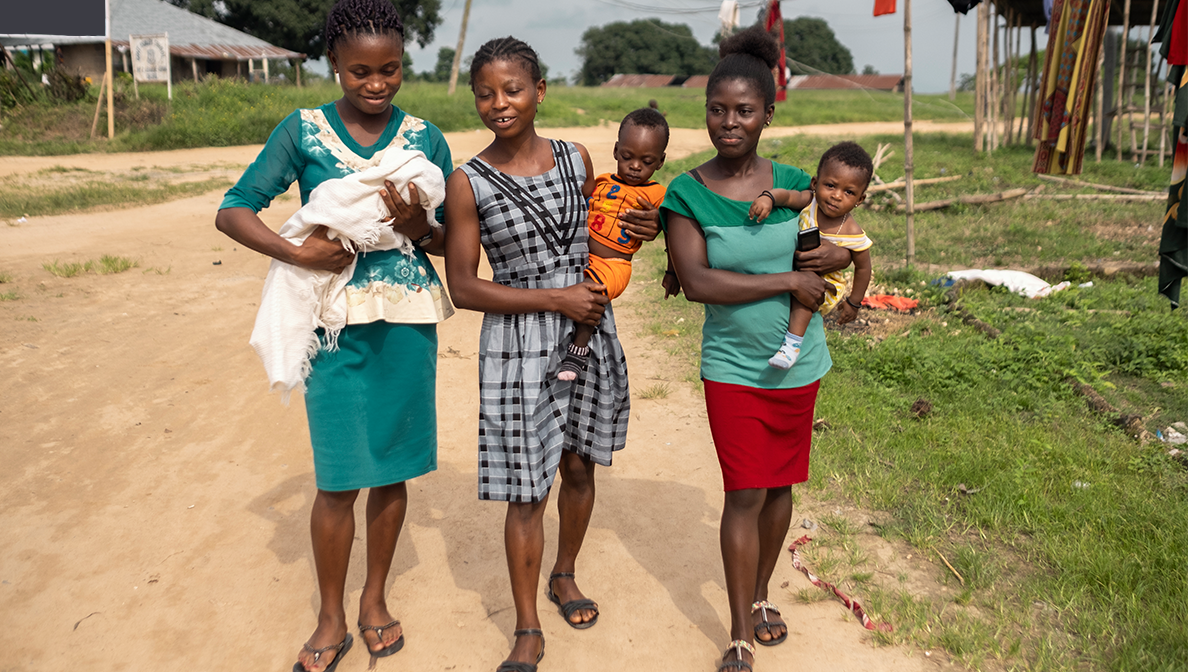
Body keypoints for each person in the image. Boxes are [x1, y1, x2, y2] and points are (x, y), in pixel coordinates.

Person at [214, 1, 453, 670]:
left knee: (395, 468)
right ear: (334, 66)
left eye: (390, 70)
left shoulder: (426, 138)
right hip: (334, 329)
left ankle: (374, 599)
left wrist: (417, 232)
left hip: (406, 323)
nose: (376, 85)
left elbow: (447, 239)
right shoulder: (304, 130)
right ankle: (330, 616)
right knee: (339, 477)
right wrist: (297, 254)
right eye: (359, 73)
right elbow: (234, 210)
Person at [443, 36, 660, 672]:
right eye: (485, 92)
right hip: (518, 346)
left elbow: (611, 223)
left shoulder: (577, 157)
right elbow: (464, 286)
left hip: (589, 329)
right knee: (525, 491)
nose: (498, 103)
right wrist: (556, 300)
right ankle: (527, 626)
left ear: (540, 92)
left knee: (581, 465)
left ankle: (564, 572)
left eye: (512, 89)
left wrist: (646, 227)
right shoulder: (468, 182)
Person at [660, 25, 852, 672]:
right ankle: (739, 630)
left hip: (801, 363)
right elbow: (697, 282)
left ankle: (766, 590)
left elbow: (831, 243)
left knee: (780, 489)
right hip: (733, 369)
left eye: (744, 111)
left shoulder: (797, 183)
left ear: (768, 113)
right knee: (745, 490)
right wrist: (788, 279)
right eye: (718, 110)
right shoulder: (686, 193)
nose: (729, 122)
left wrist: (828, 256)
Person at [557, 107, 669, 380]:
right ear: (616, 150)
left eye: (647, 161)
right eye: (628, 157)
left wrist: (673, 270)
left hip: (614, 265)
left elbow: (675, 231)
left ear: (661, 162)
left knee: (593, 296)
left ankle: (577, 352)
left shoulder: (658, 195)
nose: (635, 166)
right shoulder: (603, 181)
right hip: (582, 255)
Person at [747, 141, 875, 369]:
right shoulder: (811, 202)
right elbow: (787, 196)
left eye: (849, 192)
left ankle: (791, 347)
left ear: (860, 200)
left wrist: (854, 303)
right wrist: (769, 198)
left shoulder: (852, 232)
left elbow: (864, 269)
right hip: (797, 271)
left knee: (805, 293)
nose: (836, 196)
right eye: (831, 185)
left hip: (826, 285)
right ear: (815, 183)